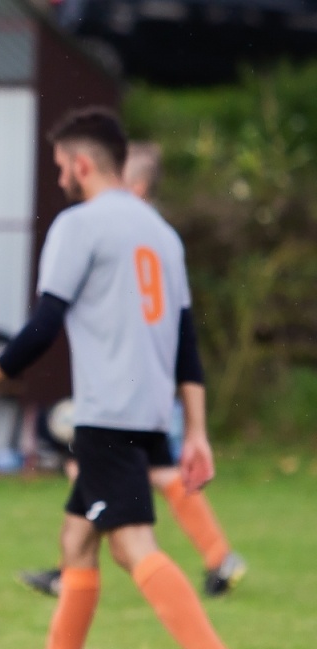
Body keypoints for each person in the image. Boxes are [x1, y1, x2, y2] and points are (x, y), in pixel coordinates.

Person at [0, 108, 257, 649]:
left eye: (62, 166)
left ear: (82, 164)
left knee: (131, 545)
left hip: (107, 413)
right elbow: (186, 344)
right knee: (77, 538)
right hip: (150, 410)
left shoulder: (80, 225)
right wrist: (195, 429)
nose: (61, 176)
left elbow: (44, 324)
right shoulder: (162, 234)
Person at [17, 141, 248, 599]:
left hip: (126, 389)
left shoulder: (132, 237)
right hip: (140, 386)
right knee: (120, 471)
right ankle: (73, 569)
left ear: (136, 186)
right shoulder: (158, 237)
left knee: (138, 514)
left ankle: (216, 559)